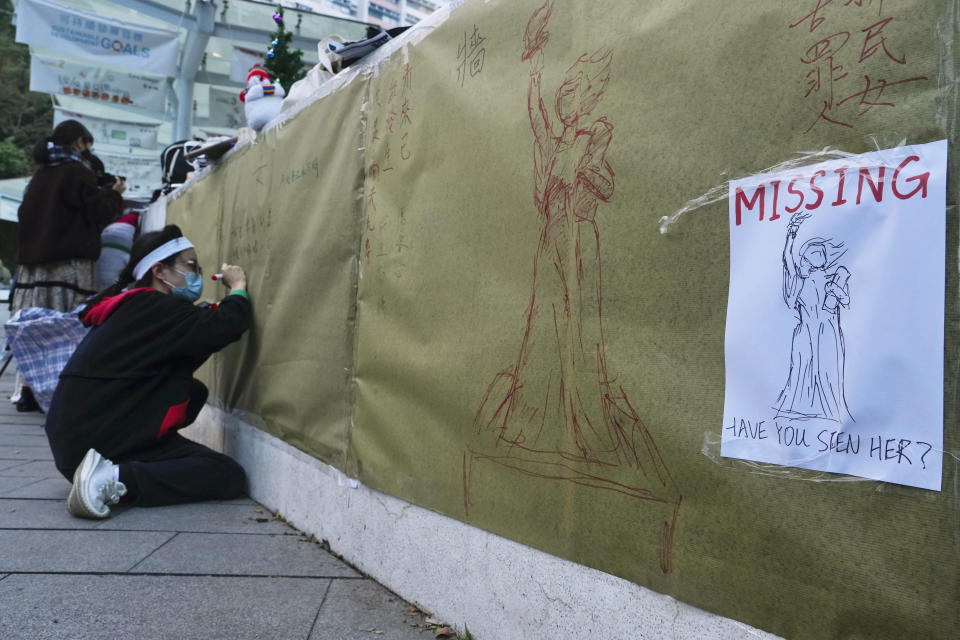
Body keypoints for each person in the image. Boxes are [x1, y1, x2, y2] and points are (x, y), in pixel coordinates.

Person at [44, 224, 252, 519]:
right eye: (190, 265)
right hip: (97, 445)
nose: (198, 274)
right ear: (159, 271)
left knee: (193, 392)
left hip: (79, 446)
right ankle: (113, 479)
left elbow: (193, 333)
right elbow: (226, 324)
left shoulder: (135, 306)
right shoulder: (154, 306)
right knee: (226, 474)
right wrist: (238, 287)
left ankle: (111, 475)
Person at [11, 120, 126, 411]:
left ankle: (27, 391)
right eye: (86, 145)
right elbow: (98, 209)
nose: (87, 151)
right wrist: (114, 193)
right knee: (65, 328)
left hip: (32, 267)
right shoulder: (77, 171)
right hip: (68, 265)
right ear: (78, 142)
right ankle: (62, 394)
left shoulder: (40, 174)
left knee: (33, 330)